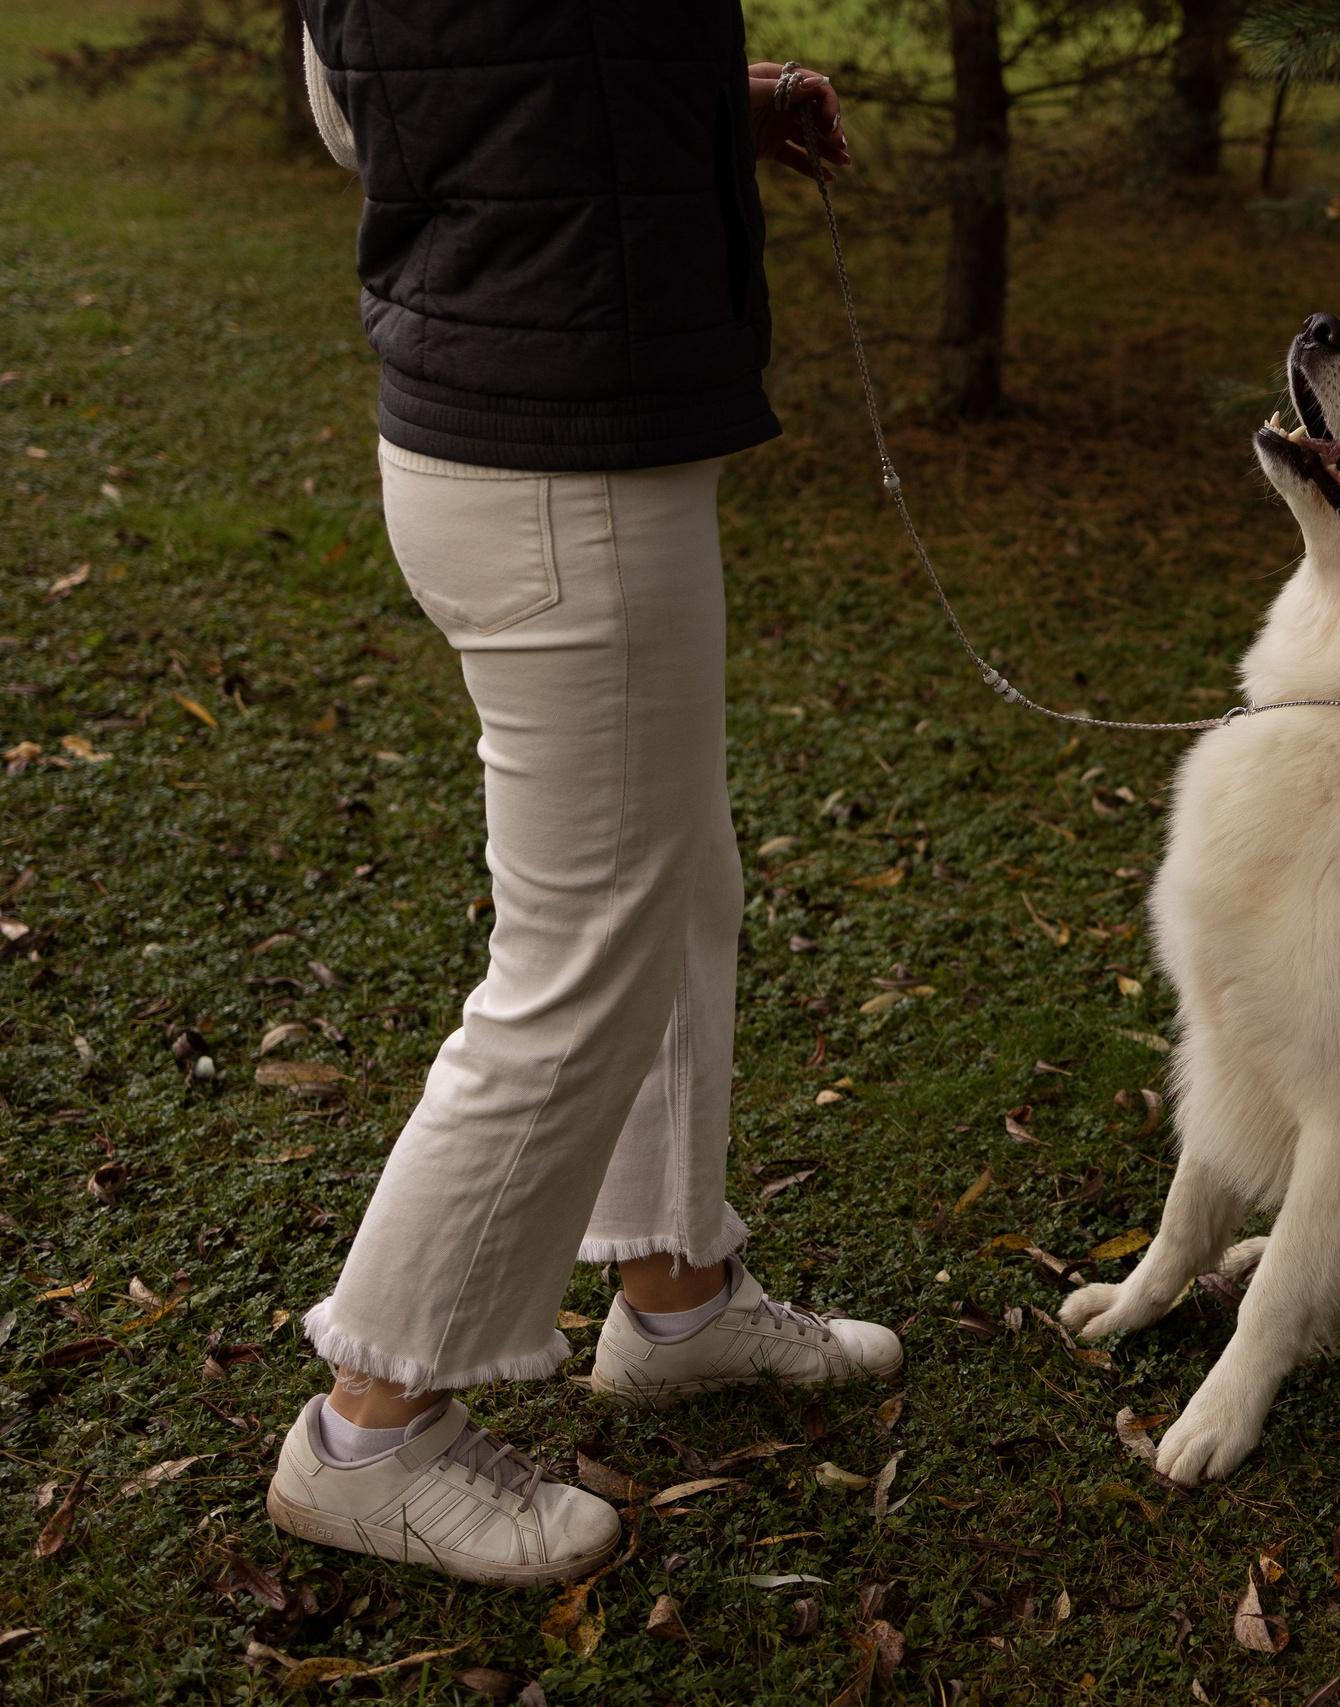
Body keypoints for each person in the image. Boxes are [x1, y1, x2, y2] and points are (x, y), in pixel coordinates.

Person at [266, 3, 895, 1587]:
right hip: (559, 462)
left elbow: (380, 109)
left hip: (515, 432)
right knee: (581, 954)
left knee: (672, 887)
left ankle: (677, 1300)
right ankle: (369, 1434)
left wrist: (695, 97)